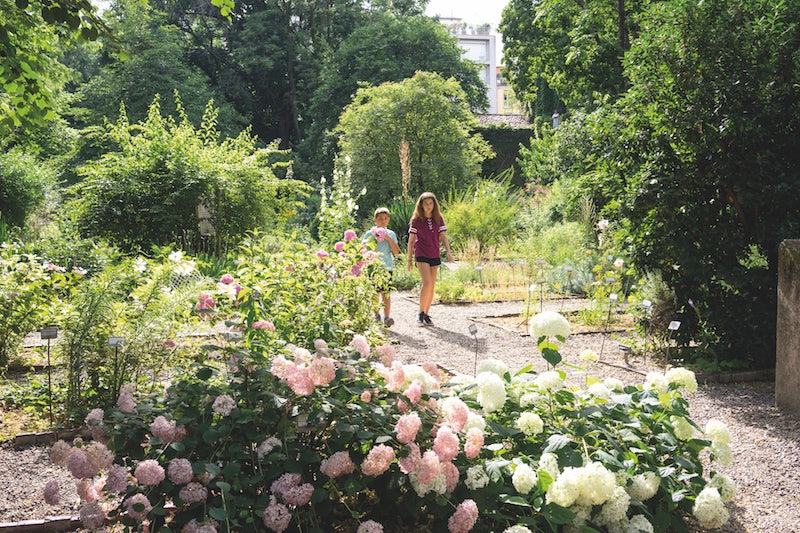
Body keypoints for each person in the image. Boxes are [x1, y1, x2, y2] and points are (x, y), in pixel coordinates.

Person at [407, 192, 453, 326]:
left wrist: (449, 253)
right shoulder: (416, 220)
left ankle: (426, 314)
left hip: (434, 253)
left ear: (434, 204)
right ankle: (420, 313)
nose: (428, 206)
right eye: (425, 203)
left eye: (430, 203)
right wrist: (409, 260)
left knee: (432, 285)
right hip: (421, 253)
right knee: (426, 283)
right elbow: (411, 241)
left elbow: (443, 237)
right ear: (421, 205)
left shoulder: (439, 218)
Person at [362, 207, 400, 327]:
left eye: (385, 219)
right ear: (375, 220)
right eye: (380, 219)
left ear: (388, 220)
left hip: (386, 267)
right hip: (373, 267)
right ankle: (376, 315)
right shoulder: (369, 233)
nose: (382, 221)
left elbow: (396, 252)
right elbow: (363, 250)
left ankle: (387, 317)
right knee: (374, 292)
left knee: (386, 293)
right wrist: (374, 238)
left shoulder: (391, 234)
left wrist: (388, 238)